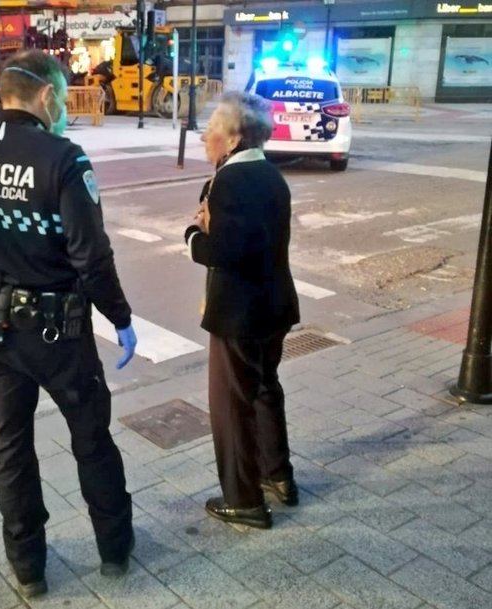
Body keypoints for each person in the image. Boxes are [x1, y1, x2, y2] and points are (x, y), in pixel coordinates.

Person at [0, 50, 137, 598]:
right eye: (62, 95)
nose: (63, 106)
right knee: (91, 439)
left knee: (11, 448)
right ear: (47, 96)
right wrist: (121, 318)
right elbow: (91, 255)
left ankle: (29, 569)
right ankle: (114, 552)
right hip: (57, 333)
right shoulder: (63, 159)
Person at [184, 92, 300, 529]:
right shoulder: (271, 175)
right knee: (266, 387)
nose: (203, 137)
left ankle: (244, 500)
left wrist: (192, 235)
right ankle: (278, 476)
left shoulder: (231, 181)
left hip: (239, 314)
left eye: (211, 128)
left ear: (233, 135)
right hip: (275, 307)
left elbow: (222, 250)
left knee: (232, 405)